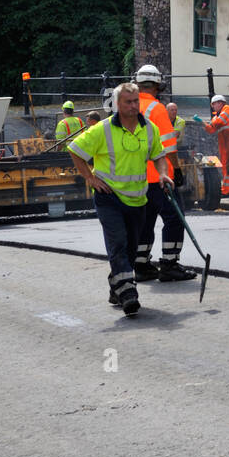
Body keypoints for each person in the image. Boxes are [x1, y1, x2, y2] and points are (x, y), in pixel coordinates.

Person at [68, 83, 167, 316]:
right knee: (118, 243)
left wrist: (163, 173)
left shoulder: (149, 128)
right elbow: (75, 150)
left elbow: (159, 155)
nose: (133, 106)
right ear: (117, 104)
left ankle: (116, 285)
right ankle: (128, 293)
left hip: (137, 199)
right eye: (128, 102)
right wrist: (90, 179)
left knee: (132, 248)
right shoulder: (101, 130)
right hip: (109, 198)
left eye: (135, 101)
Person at [132, 65, 199, 281]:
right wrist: (177, 170)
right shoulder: (156, 108)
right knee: (174, 218)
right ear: (158, 86)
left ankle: (141, 265)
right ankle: (169, 264)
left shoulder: (125, 107)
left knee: (145, 221)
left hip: (134, 178)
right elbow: (168, 147)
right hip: (158, 177)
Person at [203, 94, 229, 198]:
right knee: (227, 167)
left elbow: (219, 122)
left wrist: (213, 120)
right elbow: (212, 129)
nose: (213, 107)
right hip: (225, 144)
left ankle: (227, 191)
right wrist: (204, 124)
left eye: (213, 104)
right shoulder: (218, 115)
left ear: (220, 103)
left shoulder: (227, 109)